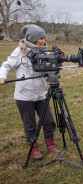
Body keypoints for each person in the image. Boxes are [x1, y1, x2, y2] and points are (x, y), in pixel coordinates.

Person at [0, 24, 60, 159]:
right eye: (41, 38)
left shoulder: (44, 50)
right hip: (24, 96)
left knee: (49, 121)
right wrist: (2, 76)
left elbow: (49, 68)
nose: (44, 41)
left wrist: (57, 59)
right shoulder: (20, 51)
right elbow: (6, 65)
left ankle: (50, 145)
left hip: (41, 94)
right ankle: (34, 149)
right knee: (30, 124)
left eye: (44, 38)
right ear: (32, 39)